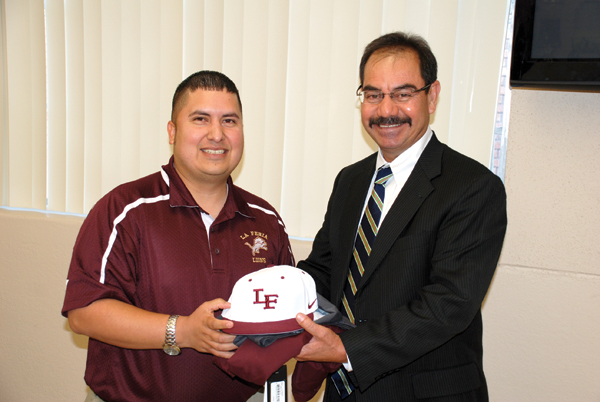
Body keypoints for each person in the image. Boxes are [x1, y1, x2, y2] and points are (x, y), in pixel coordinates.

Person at [294, 32, 507, 401]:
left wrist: (347, 350)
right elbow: (327, 272)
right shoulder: (351, 180)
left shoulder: (472, 187)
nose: (386, 109)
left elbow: (448, 304)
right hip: (346, 392)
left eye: (403, 93)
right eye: (373, 94)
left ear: (433, 95)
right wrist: (268, 298)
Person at [62, 71, 294, 402]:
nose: (217, 135)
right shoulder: (125, 210)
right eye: (201, 119)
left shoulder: (266, 220)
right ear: (172, 131)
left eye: (229, 121)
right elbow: (83, 312)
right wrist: (182, 331)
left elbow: (285, 315)